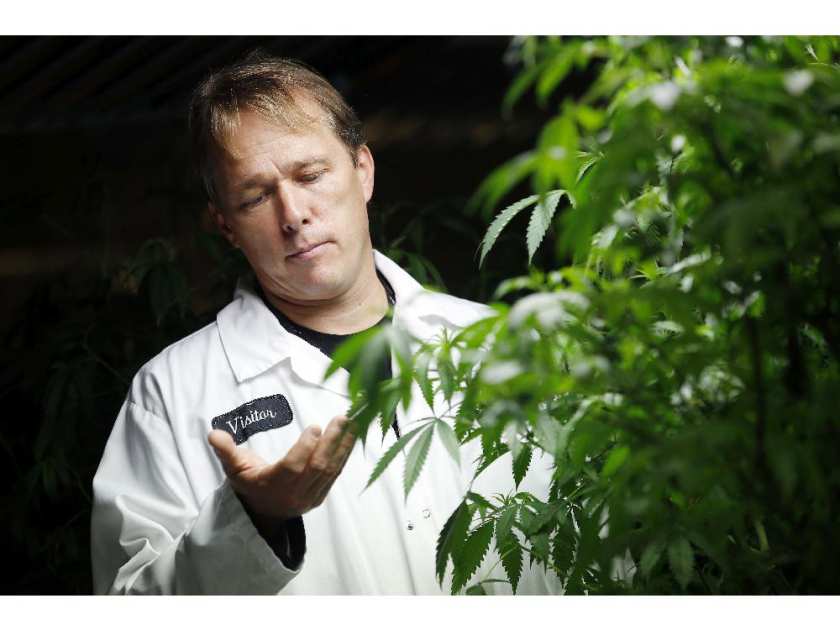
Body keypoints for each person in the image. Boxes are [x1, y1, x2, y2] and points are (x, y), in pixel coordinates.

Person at [90, 53, 561, 595]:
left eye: (310, 175)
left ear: (363, 171)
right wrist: (254, 520)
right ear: (226, 227)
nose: (293, 214)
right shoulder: (170, 394)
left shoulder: (503, 345)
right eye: (255, 197)